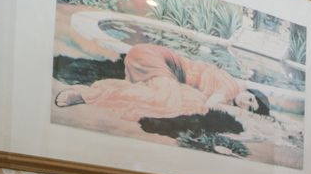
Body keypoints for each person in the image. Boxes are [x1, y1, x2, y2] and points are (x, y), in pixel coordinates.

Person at [55, 43, 270, 122]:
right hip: (155, 59)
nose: (246, 103)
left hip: (146, 58)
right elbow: (211, 105)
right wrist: (238, 113)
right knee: (168, 102)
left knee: (172, 96)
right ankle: (85, 95)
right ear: (249, 91)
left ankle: (94, 91)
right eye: (251, 99)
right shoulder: (231, 88)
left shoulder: (232, 85)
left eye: (250, 108)